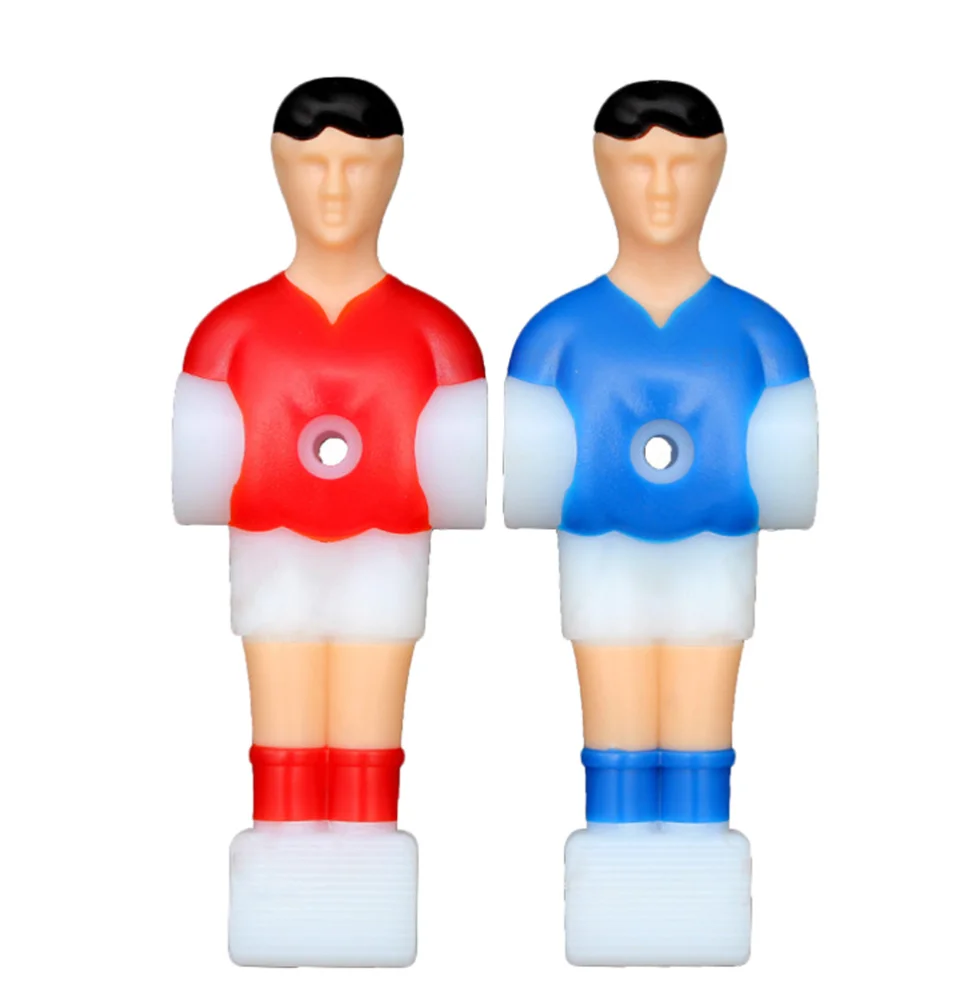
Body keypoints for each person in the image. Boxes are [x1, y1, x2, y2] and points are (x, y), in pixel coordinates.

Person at [172, 77, 486, 967]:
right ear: (279, 170)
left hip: (386, 560)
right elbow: (198, 484)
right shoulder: (228, 332)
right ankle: (283, 886)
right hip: (272, 558)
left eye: (359, 165)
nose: (336, 188)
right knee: (281, 726)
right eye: (314, 166)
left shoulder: (438, 335)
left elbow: (459, 488)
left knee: (366, 731)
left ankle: (360, 891)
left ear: (395, 171)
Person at [504, 79, 817, 965]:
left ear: (718, 171)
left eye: (684, 163)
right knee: (614, 723)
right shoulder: (555, 335)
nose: (662, 186)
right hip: (601, 562)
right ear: (602, 172)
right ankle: (617, 879)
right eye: (638, 165)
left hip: (714, 563)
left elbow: (790, 488)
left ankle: (695, 872)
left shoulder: (764, 335)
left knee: (701, 727)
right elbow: (529, 490)